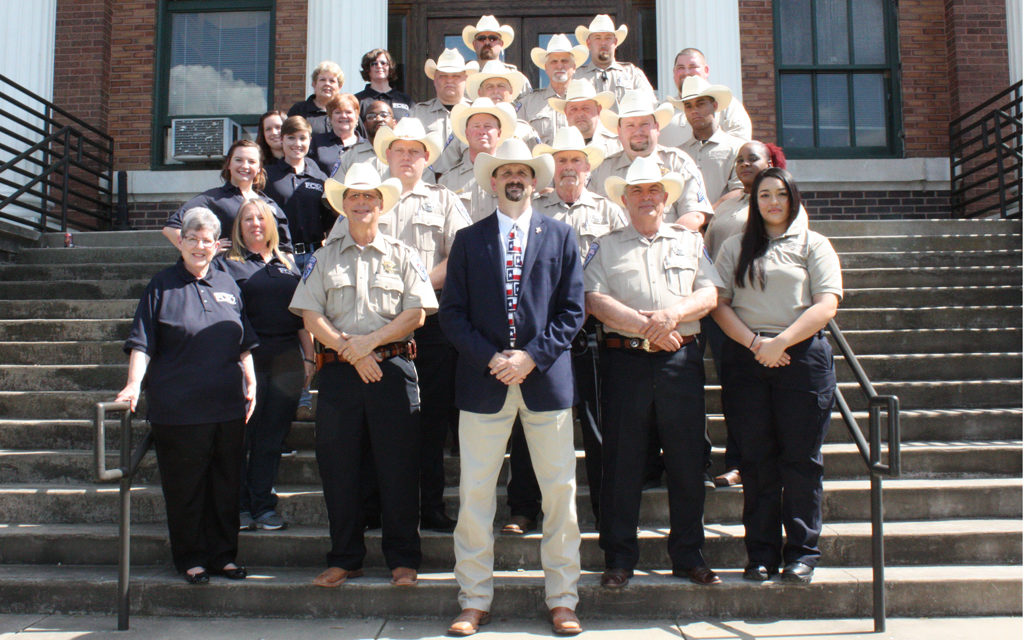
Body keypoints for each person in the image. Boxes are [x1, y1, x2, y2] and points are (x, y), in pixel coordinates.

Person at [439, 138, 584, 636]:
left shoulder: (563, 237)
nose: (514, 178)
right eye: (505, 172)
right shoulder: (468, 239)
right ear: (493, 181)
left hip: (545, 382)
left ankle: (563, 598)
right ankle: (474, 598)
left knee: (559, 494)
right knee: (476, 494)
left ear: (535, 181)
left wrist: (530, 357)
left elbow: (573, 312)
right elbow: (452, 315)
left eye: (522, 170)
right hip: (484, 383)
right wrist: (493, 358)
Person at [289, 162, 436, 589]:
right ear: (343, 205)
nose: (361, 203)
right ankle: (345, 557)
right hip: (338, 373)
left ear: (380, 204)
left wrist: (367, 344)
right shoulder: (323, 257)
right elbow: (310, 315)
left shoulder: (404, 255)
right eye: (353, 196)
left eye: (368, 196)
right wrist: (350, 352)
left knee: (399, 466)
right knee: (339, 468)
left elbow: (417, 313)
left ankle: (403, 559)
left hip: (391, 369)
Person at [584, 155, 722, 589]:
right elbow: (593, 299)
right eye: (638, 191)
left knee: (685, 462)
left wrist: (671, 316)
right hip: (624, 361)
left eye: (654, 191)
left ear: (666, 199)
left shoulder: (688, 243)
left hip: (679, 362)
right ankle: (619, 558)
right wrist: (649, 328)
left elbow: (710, 294)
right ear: (624, 199)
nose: (647, 198)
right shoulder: (604, 246)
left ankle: (688, 556)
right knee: (622, 462)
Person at [711, 167, 841, 585]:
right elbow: (719, 304)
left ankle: (802, 553)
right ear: (755, 201)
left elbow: (826, 305)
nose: (772, 202)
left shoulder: (813, 244)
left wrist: (780, 343)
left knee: (801, 461)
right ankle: (761, 555)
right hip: (747, 360)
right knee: (756, 461)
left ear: (793, 199)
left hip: (802, 359)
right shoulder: (734, 247)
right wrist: (755, 345)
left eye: (780, 194)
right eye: (764, 195)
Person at [116, 207, 257, 584]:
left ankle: (223, 556)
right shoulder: (161, 286)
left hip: (228, 406)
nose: (199, 246)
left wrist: (252, 383)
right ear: (181, 242)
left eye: (206, 240)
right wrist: (133, 384)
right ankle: (191, 559)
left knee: (227, 485)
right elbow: (142, 343)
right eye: (192, 239)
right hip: (178, 409)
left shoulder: (228, 285)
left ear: (216, 245)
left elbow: (243, 343)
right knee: (186, 487)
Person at [371, 117, 472, 532]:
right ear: (388, 155)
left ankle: (430, 507)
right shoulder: (367, 198)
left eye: (416, 151)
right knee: (382, 423)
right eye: (400, 150)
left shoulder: (445, 200)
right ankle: (379, 507)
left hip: (431, 328)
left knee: (430, 423)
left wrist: (414, 292)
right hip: (376, 328)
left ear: (427, 157)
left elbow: (458, 255)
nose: (408, 157)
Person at [531, 126, 626, 524]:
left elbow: (621, 270)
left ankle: (606, 510)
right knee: (533, 425)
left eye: (576, 162)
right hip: (546, 333)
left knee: (597, 423)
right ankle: (526, 508)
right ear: (552, 169)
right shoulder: (536, 213)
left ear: (589, 170)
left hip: (595, 333)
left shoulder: (610, 211)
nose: (569, 168)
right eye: (562, 161)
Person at [216, 200, 314, 532]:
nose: (255, 223)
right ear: (238, 227)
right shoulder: (227, 265)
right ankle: (240, 506)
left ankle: (263, 506)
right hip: (247, 360)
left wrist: (310, 357)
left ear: (271, 223)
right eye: (247, 219)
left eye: (261, 217)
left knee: (272, 437)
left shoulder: (288, 262)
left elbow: (302, 316)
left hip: (287, 360)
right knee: (243, 436)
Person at [702, 140, 785, 489]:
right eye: (739, 160)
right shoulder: (728, 201)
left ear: (770, 162)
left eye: (753, 158)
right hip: (719, 307)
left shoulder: (779, 202)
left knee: (756, 392)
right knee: (734, 389)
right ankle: (734, 460)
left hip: (754, 310)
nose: (745, 164)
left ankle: (751, 462)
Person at [588, 90, 712, 231]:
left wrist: (666, 245)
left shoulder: (678, 163)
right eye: (630, 125)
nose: (638, 131)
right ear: (619, 131)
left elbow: (694, 215)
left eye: (644, 124)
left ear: (657, 127)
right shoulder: (602, 170)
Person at [162, 139, 292, 252]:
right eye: (238, 160)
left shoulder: (268, 204)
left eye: (251, 161)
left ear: (259, 168)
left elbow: (284, 248)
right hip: (227, 273)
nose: (245, 166)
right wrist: (203, 252)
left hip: (262, 274)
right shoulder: (212, 199)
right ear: (229, 164)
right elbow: (171, 228)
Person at [433, 61, 540, 176]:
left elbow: (539, 169)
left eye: (501, 86)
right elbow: (441, 172)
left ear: (511, 92)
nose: (495, 91)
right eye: (489, 87)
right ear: (480, 93)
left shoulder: (526, 131)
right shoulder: (464, 129)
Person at [263, 116, 332, 270]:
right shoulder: (267, 176)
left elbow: (329, 218)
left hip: (315, 256)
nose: (297, 144)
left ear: (310, 140)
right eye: (291, 138)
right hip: (279, 256)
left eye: (302, 138)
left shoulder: (320, 178)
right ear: (282, 139)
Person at [672, 76, 745, 209]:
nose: (694, 110)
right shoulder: (677, 155)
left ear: (715, 105)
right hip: (685, 226)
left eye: (700, 104)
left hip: (725, 226)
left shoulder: (738, 148)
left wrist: (706, 215)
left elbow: (741, 191)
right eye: (688, 106)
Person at [437, 97, 515, 220]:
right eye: (476, 126)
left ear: (499, 134)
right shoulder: (447, 181)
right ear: (467, 133)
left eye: (488, 126)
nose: (482, 131)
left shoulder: (513, 177)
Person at [663, 48, 753, 146]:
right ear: (674, 72)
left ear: (706, 70)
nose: (686, 72)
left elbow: (741, 144)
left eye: (693, 66)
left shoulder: (728, 105)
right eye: (681, 67)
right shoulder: (662, 109)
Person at [411, 49, 477, 176]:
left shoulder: (478, 112)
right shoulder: (417, 114)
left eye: (456, 76)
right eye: (443, 76)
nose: (449, 81)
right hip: (427, 187)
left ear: (465, 79)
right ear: (435, 80)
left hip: (467, 189)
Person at [518, 34, 589, 145]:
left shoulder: (587, 101)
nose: (559, 66)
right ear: (546, 68)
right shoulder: (528, 104)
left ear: (574, 67)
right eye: (554, 61)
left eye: (564, 61)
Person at [573, 14, 655, 103]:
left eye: (608, 38)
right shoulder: (577, 77)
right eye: (598, 38)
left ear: (615, 42)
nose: (603, 43)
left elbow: (650, 104)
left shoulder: (632, 74)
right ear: (589, 43)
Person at [461, 15, 533, 98]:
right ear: (474, 44)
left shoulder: (519, 80)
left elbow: (528, 108)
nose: (487, 42)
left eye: (493, 38)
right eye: (481, 38)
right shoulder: (463, 80)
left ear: (501, 44)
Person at [548, 79, 621, 158]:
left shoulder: (617, 144)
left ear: (598, 110)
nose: (580, 114)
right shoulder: (558, 147)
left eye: (585, 108)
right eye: (574, 109)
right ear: (566, 112)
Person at [334, 100, 395, 179]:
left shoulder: (404, 152)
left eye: (384, 115)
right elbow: (335, 188)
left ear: (394, 123)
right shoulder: (349, 155)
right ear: (365, 125)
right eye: (371, 116)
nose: (378, 119)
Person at [309, 93, 364, 176]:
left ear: (356, 116)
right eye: (338, 112)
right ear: (330, 117)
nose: (343, 116)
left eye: (348, 112)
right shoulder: (316, 143)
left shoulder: (367, 146)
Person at [354, 48, 413, 121]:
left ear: (390, 67)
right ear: (367, 69)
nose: (379, 66)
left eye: (383, 63)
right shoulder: (358, 100)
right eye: (374, 64)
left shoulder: (405, 100)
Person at [287, 60, 345, 135]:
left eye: (332, 81)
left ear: (340, 86)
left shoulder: (347, 112)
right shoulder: (299, 110)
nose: (327, 84)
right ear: (314, 84)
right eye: (322, 80)